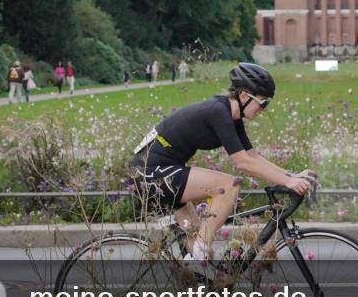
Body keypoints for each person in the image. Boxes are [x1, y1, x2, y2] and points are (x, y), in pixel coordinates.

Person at [129, 63, 313, 265]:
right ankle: (198, 255)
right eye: (263, 102)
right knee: (229, 185)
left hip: (164, 171)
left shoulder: (232, 117)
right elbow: (242, 162)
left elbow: (253, 156)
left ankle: (193, 284)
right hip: (150, 172)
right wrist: (288, 183)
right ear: (244, 96)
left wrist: (291, 176)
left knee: (197, 248)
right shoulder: (218, 111)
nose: (263, 109)